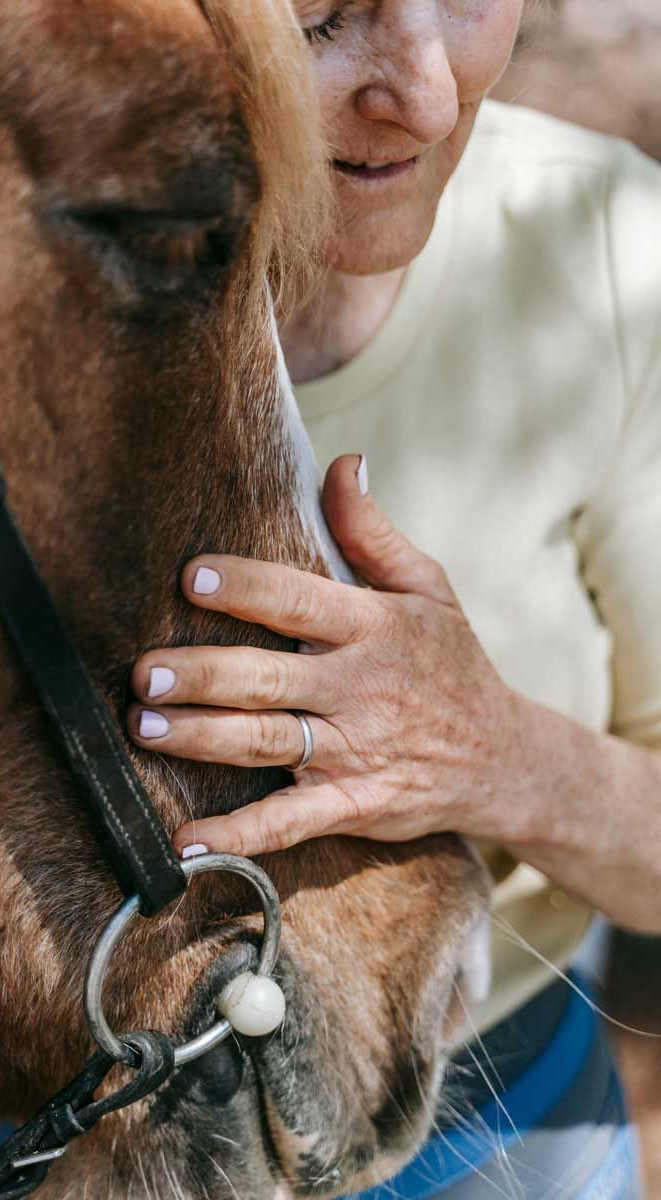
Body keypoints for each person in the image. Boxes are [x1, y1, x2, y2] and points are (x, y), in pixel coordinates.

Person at [124, 1, 661, 1195]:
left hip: (485, 1123)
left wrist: (500, 753)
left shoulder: (614, 254)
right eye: (321, 18)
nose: (422, 96)